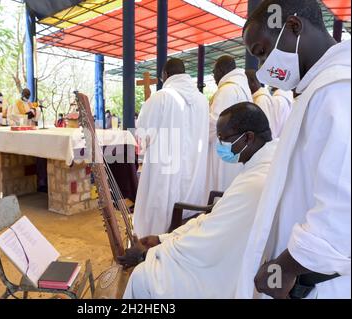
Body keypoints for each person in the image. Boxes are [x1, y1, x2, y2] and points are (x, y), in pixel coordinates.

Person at [236, 0, 351, 299]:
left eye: (261, 52)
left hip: (318, 282)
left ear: (294, 27)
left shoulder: (338, 89)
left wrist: (284, 268)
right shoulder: (319, 89)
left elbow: (343, 212)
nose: (263, 69)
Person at [121, 103, 277, 298]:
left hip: (230, 269)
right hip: (229, 252)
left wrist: (149, 253)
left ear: (248, 137)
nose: (220, 146)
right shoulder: (264, 163)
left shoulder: (255, 182)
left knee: (144, 277)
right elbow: (214, 218)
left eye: (224, 139)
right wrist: (162, 238)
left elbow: (208, 239)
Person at [133, 58, 210, 237]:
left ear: (165, 75)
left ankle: (150, 243)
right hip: (193, 171)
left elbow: (143, 134)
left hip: (165, 170)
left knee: (158, 207)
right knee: (187, 214)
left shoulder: (161, 97)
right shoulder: (202, 100)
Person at [207, 56, 253, 193]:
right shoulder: (241, 88)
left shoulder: (227, 90)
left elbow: (215, 123)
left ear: (221, 70)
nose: (214, 76)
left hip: (224, 149)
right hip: (238, 148)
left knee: (220, 187)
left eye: (214, 71)